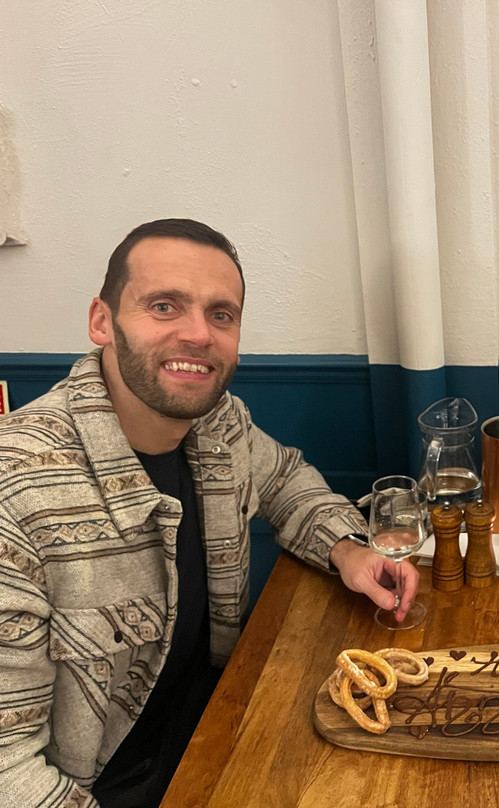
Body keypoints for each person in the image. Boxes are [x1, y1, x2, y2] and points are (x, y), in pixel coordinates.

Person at [0, 219, 418, 808]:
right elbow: (9, 769)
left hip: (217, 730)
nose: (198, 334)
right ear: (102, 321)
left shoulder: (218, 421)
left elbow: (284, 479)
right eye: (164, 306)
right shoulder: (17, 493)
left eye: (221, 315)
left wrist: (347, 549)